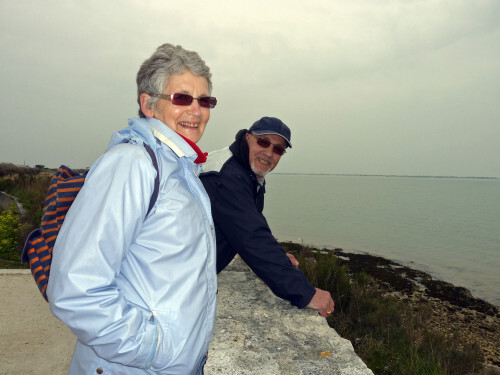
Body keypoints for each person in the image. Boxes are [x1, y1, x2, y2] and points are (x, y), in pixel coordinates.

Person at [47, 43, 217, 375]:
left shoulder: (181, 169)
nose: (196, 111)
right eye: (182, 98)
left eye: (205, 101)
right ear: (148, 105)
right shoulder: (133, 164)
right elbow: (75, 288)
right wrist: (154, 349)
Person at [200, 117, 335, 318]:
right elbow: (252, 237)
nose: (269, 153)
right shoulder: (227, 176)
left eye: (278, 149)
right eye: (263, 142)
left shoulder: (246, 172)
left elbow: (251, 224)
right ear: (247, 138)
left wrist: (279, 257)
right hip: (176, 280)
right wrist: (307, 294)